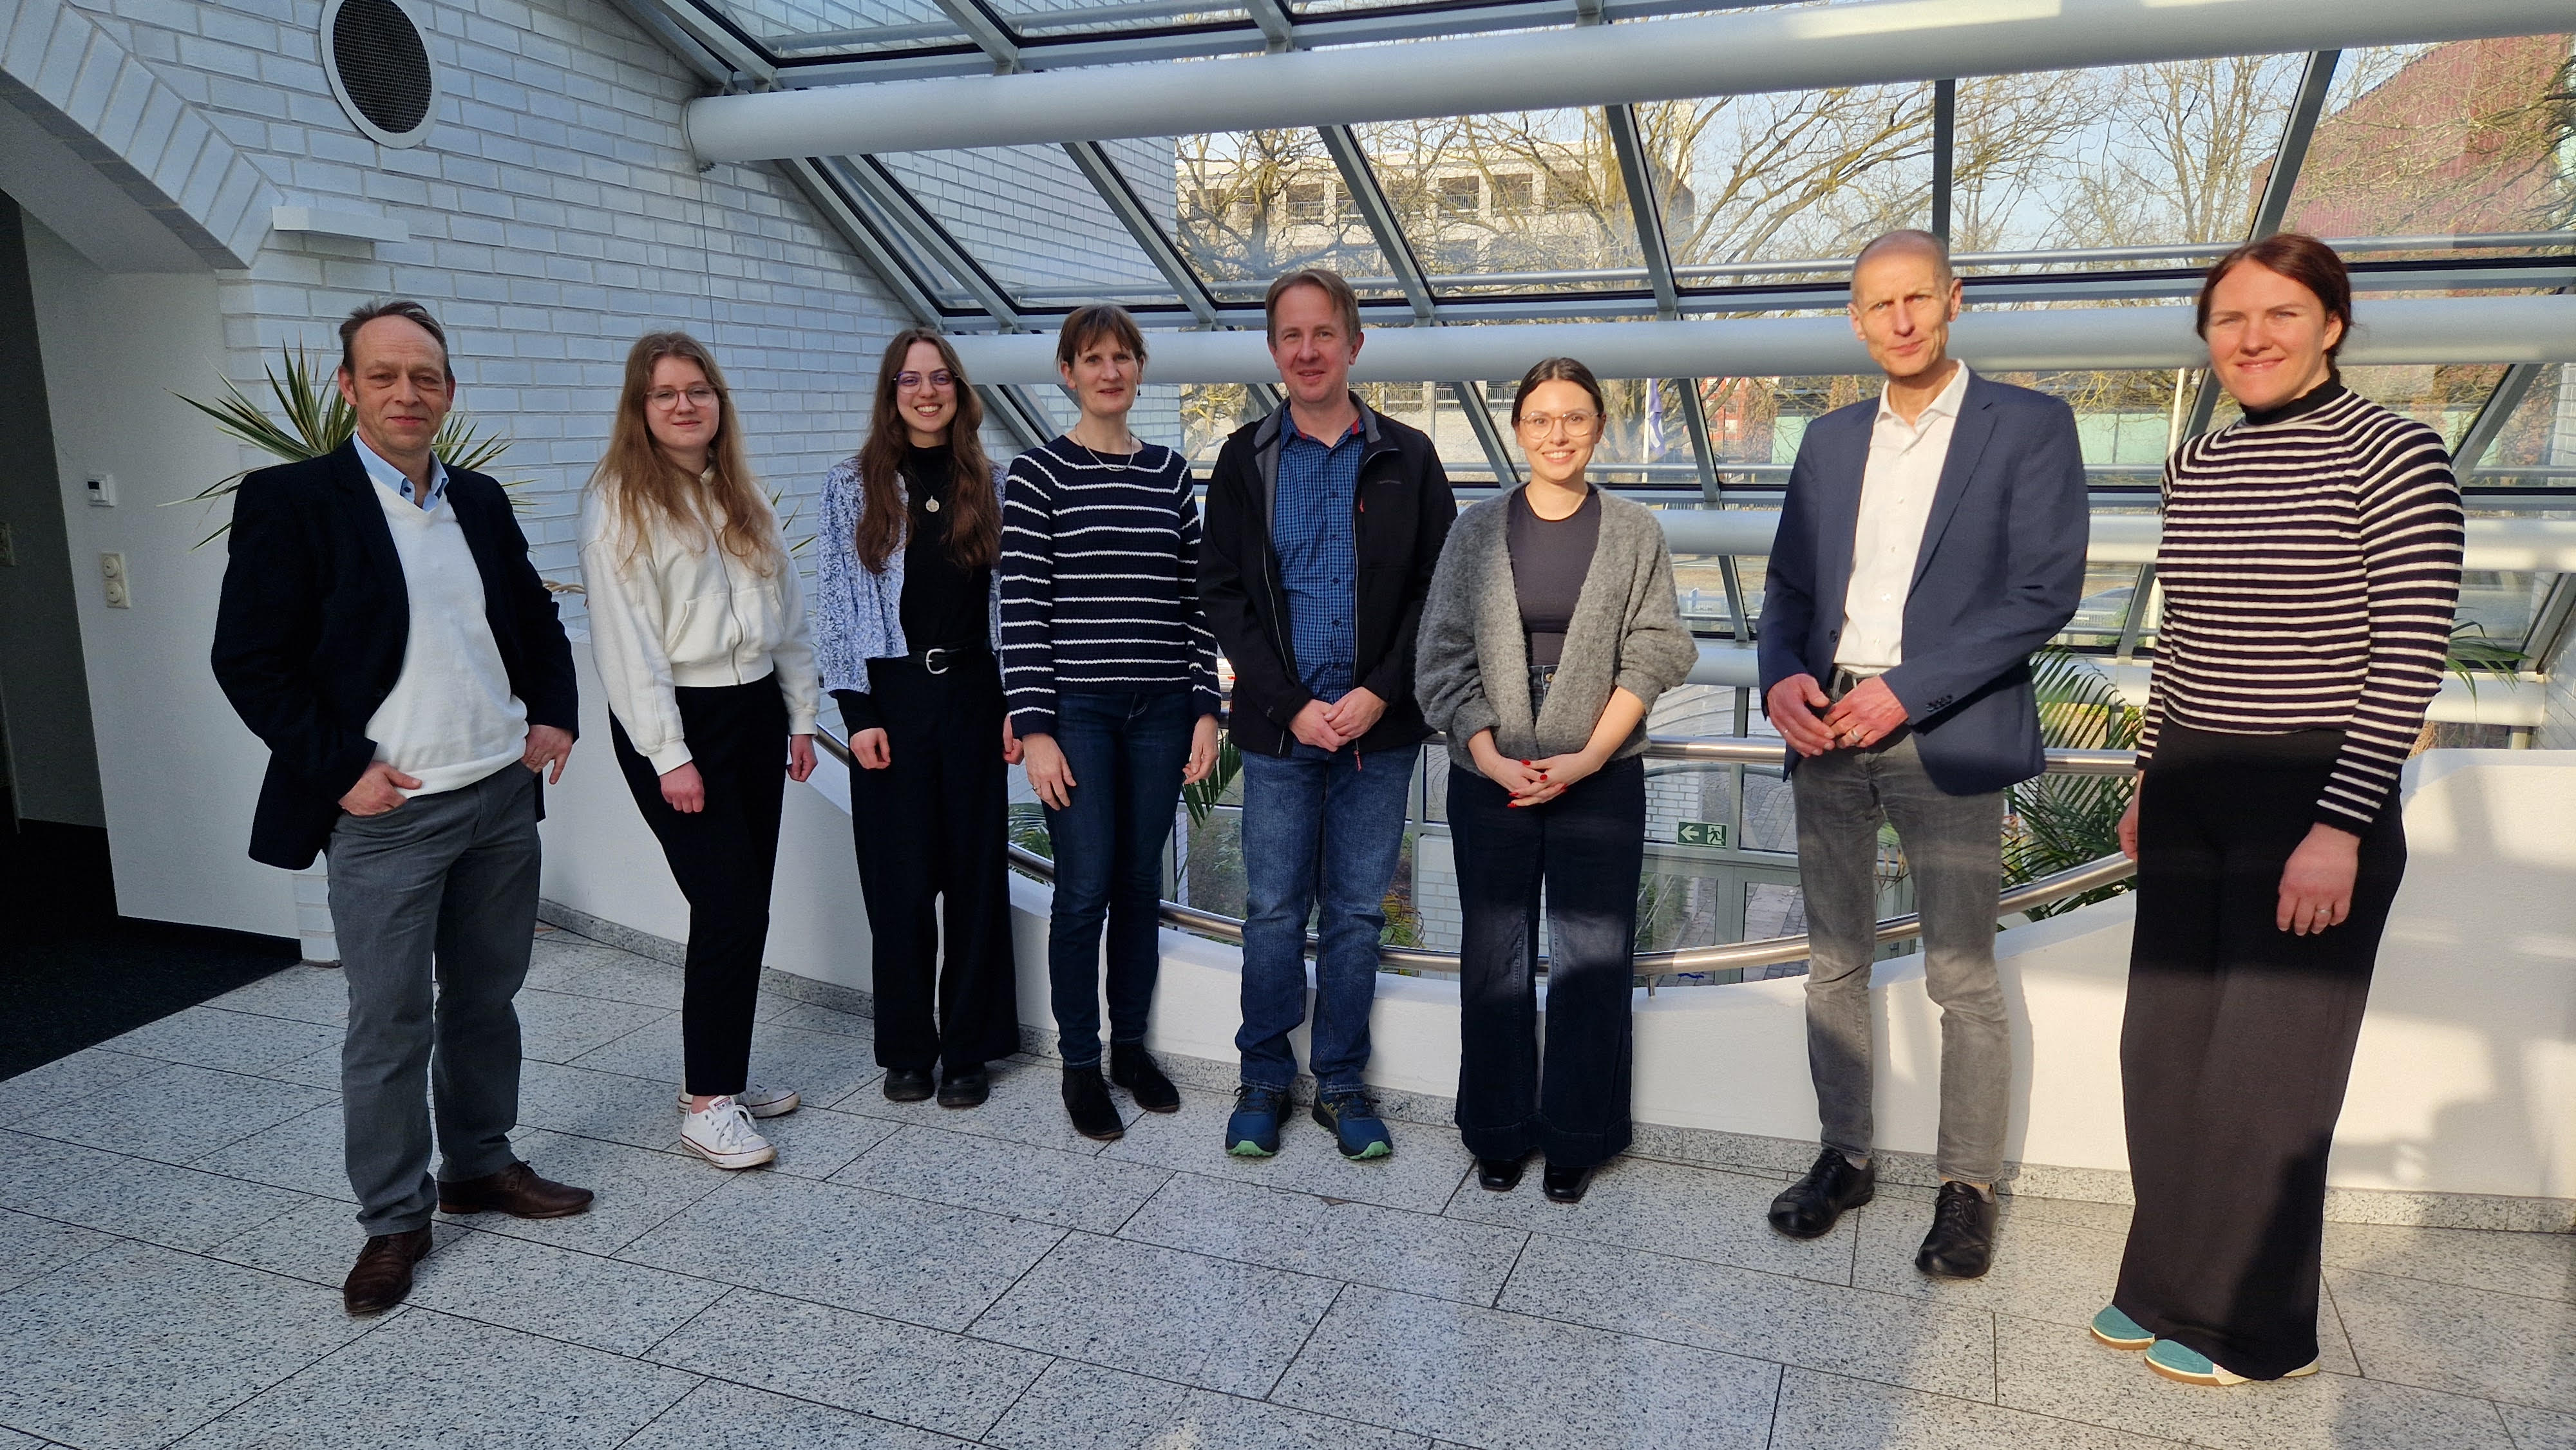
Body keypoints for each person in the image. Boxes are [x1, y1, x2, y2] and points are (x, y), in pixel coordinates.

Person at [2094, 235, 2461, 1386]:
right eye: (2229, 319)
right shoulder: (2195, 464)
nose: (2252, 338)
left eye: (2281, 314)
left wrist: (2341, 826)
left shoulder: (2396, 452)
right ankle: (2160, 1286)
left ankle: (2254, 1332)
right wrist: (2147, 777)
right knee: (2164, 1055)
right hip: (2191, 787)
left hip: (2312, 798)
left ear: (2331, 324)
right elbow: (2182, 637)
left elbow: (2408, 655)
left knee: (2268, 1076)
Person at [212, 299, 591, 1317]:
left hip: (499, 797)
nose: (406, 393)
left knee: (485, 1000)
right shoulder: (293, 500)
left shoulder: (480, 498)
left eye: (425, 376)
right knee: (388, 1022)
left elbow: (532, 616)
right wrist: (343, 770)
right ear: (348, 388)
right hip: (388, 814)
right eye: (383, 375)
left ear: (449, 392)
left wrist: (555, 714)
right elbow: (249, 659)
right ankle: (392, 1219)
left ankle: (480, 1164)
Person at [1756, 230, 2088, 1277]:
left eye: (1917, 299)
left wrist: (1911, 687)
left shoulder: (2029, 425)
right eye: (1879, 305)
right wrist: (1780, 677)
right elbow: (1788, 591)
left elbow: (2044, 592)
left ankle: (1966, 1189)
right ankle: (1846, 1157)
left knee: (1962, 976)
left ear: (1953, 300)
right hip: (1827, 727)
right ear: (1856, 321)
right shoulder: (1828, 441)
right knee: (1832, 963)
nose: (1900, 321)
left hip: (1947, 728)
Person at [1415, 357, 1696, 1203]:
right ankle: (1497, 1130)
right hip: (1488, 769)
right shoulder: (1475, 531)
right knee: (1493, 955)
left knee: (1593, 958)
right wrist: (1490, 753)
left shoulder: (1634, 530)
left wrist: (1588, 757)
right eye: (1540, 418)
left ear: (1599, 428)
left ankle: (1579, 1135)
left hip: (1601, 770)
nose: (1558, 433)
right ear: (1517, 431)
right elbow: (1440, 653)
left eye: (1575, 417)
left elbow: (1656, 649)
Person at [1199, 267, 1456, 1161]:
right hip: (1280, 732)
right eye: (1290, 336)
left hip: (1377, 736)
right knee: (1273, 909)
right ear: (1274, 349)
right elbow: (1223, 593)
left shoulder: (1409, 457)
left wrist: (1381, 690)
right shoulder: (1246, 458)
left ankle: (1340, 1083)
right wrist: (1291, 705)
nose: (1306, 351)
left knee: (1353, 913)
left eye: (1322, 333)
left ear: (1354, 343)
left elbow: (1437, 589)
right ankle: (1264, 1078)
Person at [580, 332, 819, 1171]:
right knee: (727, 907)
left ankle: (718, 1074)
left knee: (745, 906)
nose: (684, 405)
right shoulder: (619, 501)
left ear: (718, 401)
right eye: (665, 393)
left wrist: (800, 716)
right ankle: (709, 1106)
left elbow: (788, 614)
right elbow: (626, 644)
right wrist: (668, 754)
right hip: (681, 723)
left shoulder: (739, 491)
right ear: (639, 408)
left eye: (698, 390)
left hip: (754, 714)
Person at [1001, 305, 1222, 1141]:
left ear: (1138, 370)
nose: (1109, 371)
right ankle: (1080, 1064)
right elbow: (1021, 608)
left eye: (1123, 357)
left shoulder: (1169, 473)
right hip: (1079, 716)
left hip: (1161, 711)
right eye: (1092, 358)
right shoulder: (1037, 474)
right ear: (1067, 373)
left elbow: (1194, 603)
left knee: (1137, 886)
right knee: (1084, 887)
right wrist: (1036, 727)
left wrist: (1206, 708)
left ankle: (1131, 1049)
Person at [813, 328, 1021, 1110]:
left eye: (940, 378)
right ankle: (907, 1048)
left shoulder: (992, 483)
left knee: (974, 881)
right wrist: (857, 711)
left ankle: (968, 1049)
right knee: (898, 887)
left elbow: (1012, 603)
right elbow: (836, 601)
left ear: (959, 391)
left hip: (974, 694)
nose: (926, 391)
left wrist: (1015, 702)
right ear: (891, 392)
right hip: (892, 701)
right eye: (910, 379)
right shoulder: (850, 485)